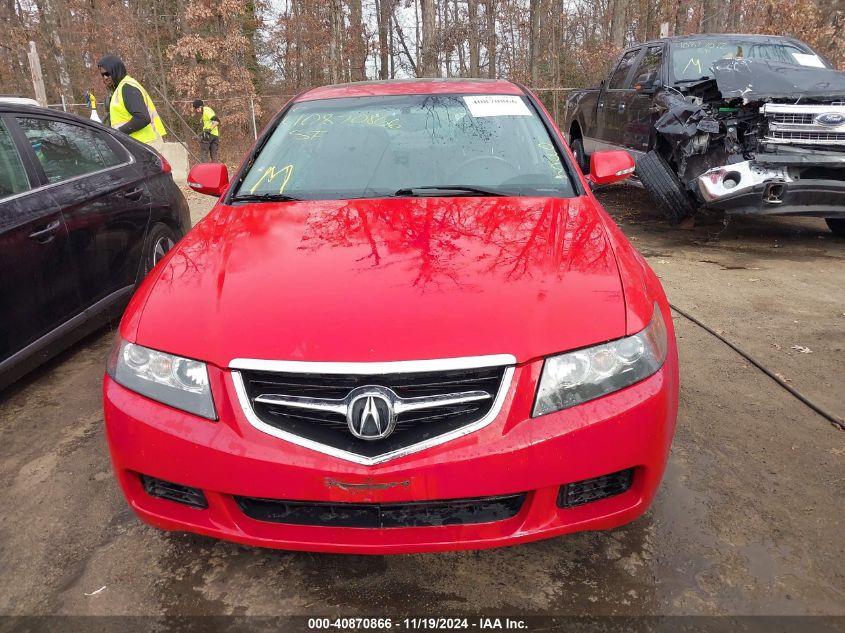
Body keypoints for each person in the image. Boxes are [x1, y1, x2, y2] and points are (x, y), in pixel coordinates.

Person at [98, 55, 166, 150]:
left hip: (146, 146)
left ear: (116, 70)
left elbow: (143, 118)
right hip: (139, 146)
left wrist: (117, 133)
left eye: (107, 73)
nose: (105, 77)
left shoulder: (127, 87)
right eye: (102, 75)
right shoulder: (120, 89)